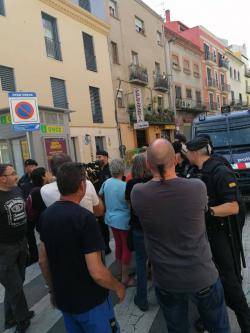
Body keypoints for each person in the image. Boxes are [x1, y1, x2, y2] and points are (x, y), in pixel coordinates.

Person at [131, 139, 230, 333]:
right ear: (176, 160)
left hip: (167, 281)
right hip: (202, 277)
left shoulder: (138, 193)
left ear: (148, 165)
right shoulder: (197, 188)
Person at [39, 162, 125, 333]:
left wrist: (53, 291)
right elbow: (97, 272)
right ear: (82, 185)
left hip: (65, 299)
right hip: (91, 301)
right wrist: (118, 286)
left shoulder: (46, 216)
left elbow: (43, 260)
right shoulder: (85, 219)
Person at [187, 137, 250, 332]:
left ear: (195, 152)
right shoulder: (195, 171)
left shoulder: (220, 171)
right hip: (206, 235)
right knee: (211, 280)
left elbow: (233, 207)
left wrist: (208, 211)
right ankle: (211, 317)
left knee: (229, 281)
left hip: (222, 235)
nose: (186, 155)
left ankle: (246, 322)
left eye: (188, 151)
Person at [0, 164, 34, 333]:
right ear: (2, 178)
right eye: (12, 174)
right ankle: (22, 320)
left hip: (21, 243)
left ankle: (10, 317)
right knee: (14, 286)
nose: (16, 176)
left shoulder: (16, 190)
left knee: (16, 283)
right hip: (5, 249)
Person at [99, 159, 134, 287]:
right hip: (123, 220)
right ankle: (125, 278)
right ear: (122, 170)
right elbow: (129, 204)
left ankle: (119, 272)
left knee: (118, 245)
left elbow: (100, 195)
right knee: (126, 247)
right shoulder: (124, 186)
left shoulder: (107, 182)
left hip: (111, 218)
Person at [125, 153, 151, 311]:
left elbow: (129, 203)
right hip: (153, 227)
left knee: (140, 263)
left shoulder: (131, 184)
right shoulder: (152, 181)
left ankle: (142, 299)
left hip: (138, 227)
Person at [26, 167, 52, 265]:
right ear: (43, 176)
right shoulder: (39, 191)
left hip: (41, 225)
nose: (49, 174)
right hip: (44, 226)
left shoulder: (36, 190)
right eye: (47, 172)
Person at [95, 150, 112, 254]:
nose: (98, 159)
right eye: (97, 157)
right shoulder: (97, 170)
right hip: (99, 200)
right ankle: (105, 246)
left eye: (100, 157)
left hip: (107, 201)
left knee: (105, 224)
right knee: (102, 224)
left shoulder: (109, 169)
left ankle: (106, 246)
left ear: (106, 157)